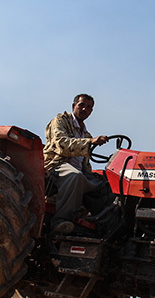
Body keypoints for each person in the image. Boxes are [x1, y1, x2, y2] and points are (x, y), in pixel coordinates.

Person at [43, 94, 109, 234]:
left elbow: (85, 163)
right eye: (81, 105)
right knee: (75, 176)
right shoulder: (60, 121)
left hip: (80, 171)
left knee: (105, 184)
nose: (84, 109)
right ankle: (60, 222)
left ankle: (106, 228)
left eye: (89, 107)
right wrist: (89, 143)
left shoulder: (86, 134)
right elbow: (61, 144)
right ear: (74, 106)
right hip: (56, 166)